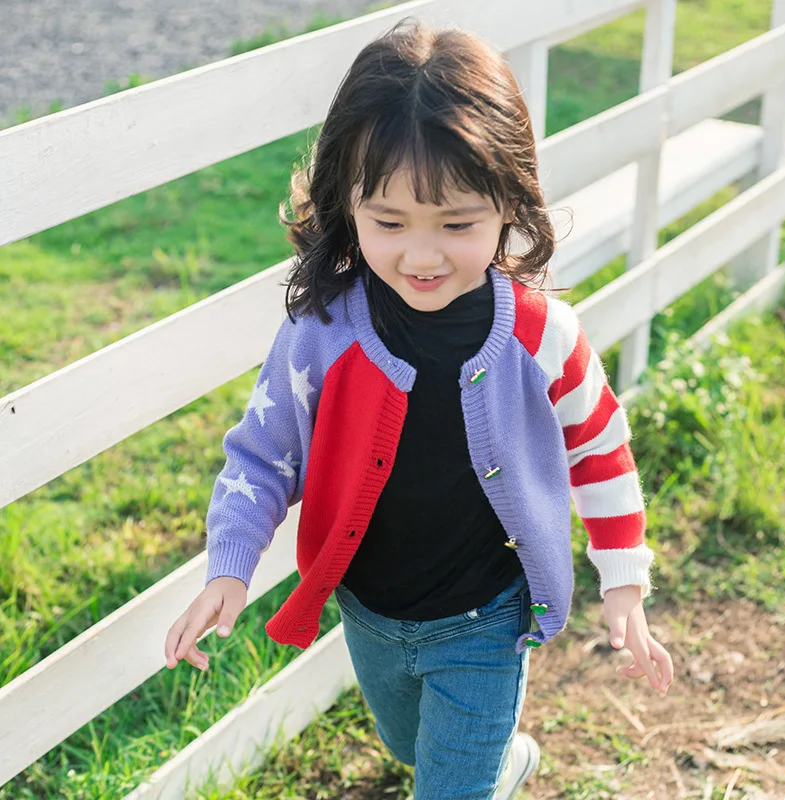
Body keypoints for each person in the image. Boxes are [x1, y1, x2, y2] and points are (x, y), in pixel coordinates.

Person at [165, 18, 674, 799]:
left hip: (486, 621)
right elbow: (262, 454)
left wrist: (624, 582)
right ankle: (503, 763)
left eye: (458, 224)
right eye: (389, 223)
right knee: (409, 746)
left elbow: (600, 448)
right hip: (370, 614)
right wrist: (230, 567)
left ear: (509, 201)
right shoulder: (322, 332)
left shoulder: (542, 335)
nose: (423, 255)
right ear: (347, 204)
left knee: (447, 787)